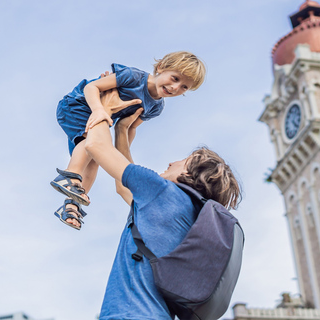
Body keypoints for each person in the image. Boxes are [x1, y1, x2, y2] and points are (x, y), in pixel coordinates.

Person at [83, 87, 241, 319]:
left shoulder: (160, 190)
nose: (172, 162)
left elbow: (95, 146)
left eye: (183, 160)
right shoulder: (190, 214)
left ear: (190, 171)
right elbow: (123, 187)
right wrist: (122, 130)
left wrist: (102, 108)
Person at [50, 51, 206, 230]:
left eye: (184, 87)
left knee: (95, 158)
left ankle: (72, 204)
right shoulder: (134, 77)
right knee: (91, 143)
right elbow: (91, 88)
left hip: (100, 117)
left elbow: (130, 127)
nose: (175, 87)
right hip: (78, 105)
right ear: (162, 67)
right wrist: (98, 109)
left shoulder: (155, 107)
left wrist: (117, 155)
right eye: (175, 78)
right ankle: (69, 176)